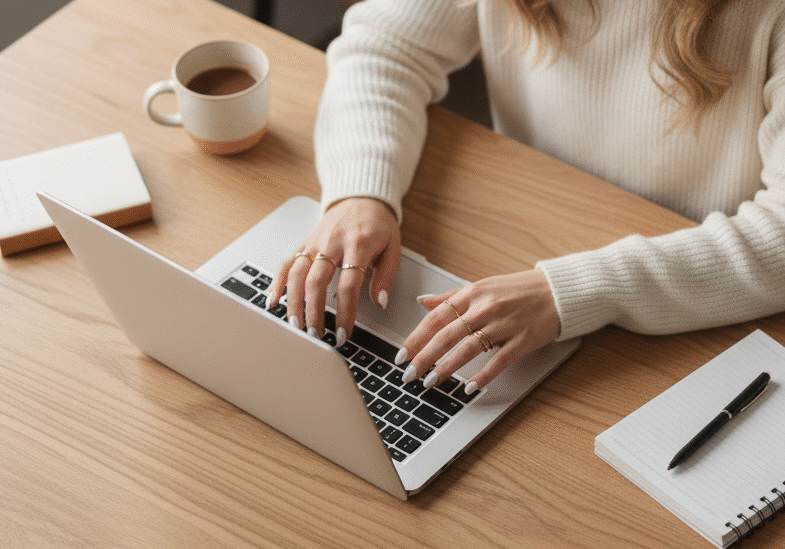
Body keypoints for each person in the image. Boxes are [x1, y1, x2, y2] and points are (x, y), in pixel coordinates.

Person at [268, 0, 785, 395]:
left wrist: (569, 292)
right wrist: (361, 192)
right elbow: (384, 45)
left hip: (696, 323)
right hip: (518, 246)